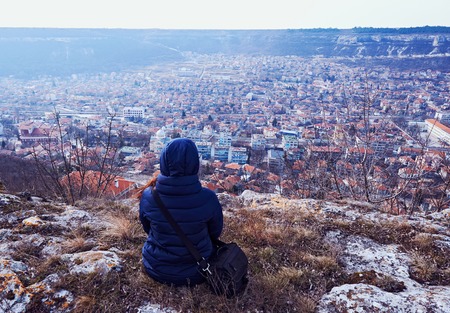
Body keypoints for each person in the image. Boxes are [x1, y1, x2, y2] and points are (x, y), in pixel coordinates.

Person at [138, 138, 223, 286]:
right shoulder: (208, 198)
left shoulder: (149, 196)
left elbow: (147, 227)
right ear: (195, 164)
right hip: (197, 270)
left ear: (164, 161)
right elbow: (215, 232)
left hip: (156, 266)